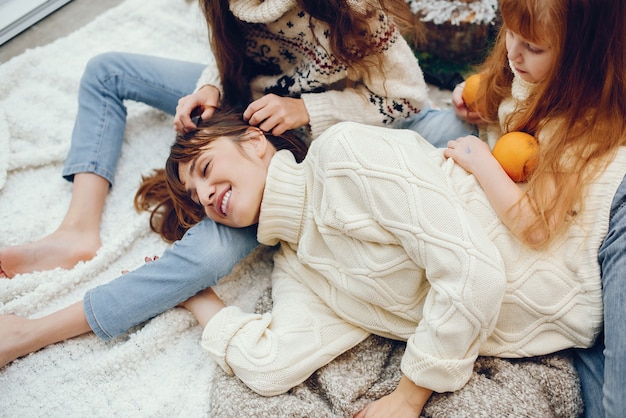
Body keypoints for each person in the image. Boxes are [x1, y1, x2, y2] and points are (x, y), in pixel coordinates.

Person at [0, 0, 471, 340]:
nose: (203, 199)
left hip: (320, 132)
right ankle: (78, 230)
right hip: (244, 115)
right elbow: (234, 59)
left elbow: (409, 96)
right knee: (108, 69)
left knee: (465, 123)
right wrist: (209, 88)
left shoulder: (353, 9)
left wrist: (308, 111)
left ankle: (31, 333)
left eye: (201, 182)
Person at [442, 0, 626, 416]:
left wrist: (482, 162)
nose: (513, 51)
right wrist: (470, 97)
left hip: (591, 233)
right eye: (509, 32)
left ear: (578, 54)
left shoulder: (579, 123)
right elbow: (501, 93)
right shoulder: (526, 67)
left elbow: (537, 226)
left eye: (534, 47)